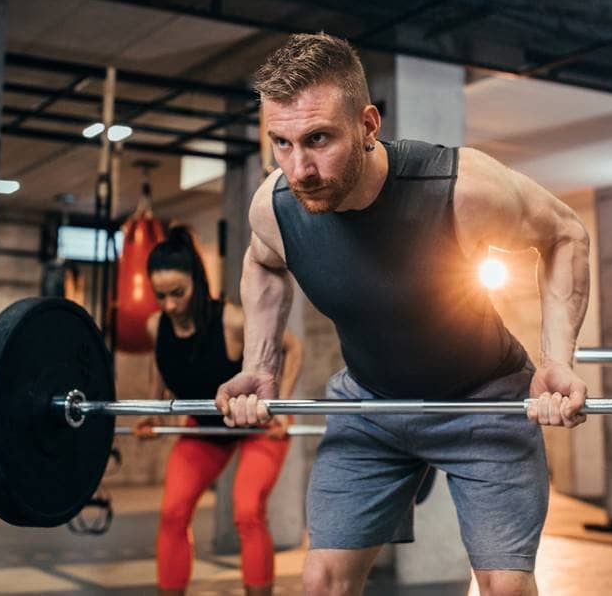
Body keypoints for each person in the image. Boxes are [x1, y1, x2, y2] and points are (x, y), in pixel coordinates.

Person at [214, 34, 591, 596]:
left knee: (505, 588)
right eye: (282, 143)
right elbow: (263, 264)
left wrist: (557, 359)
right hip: (369, 407)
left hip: (484, 402)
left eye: (318, 139)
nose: (301, 168)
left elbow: (565, 235)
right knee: (321, 584)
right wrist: (259, 365)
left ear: (368, 125)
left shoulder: (460, 186)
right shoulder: (275, 207)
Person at [135, 226, 303, 596]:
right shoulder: (155, 326)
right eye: (160, 295)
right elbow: (160, 365)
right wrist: (152, 409)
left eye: (178, 293)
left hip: (258, 425)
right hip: (205, 429)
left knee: (246, 511)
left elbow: (293, 346)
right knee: (173, 513)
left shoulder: (229, 320)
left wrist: (280, 407)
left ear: (196, 281)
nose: (169, 305)